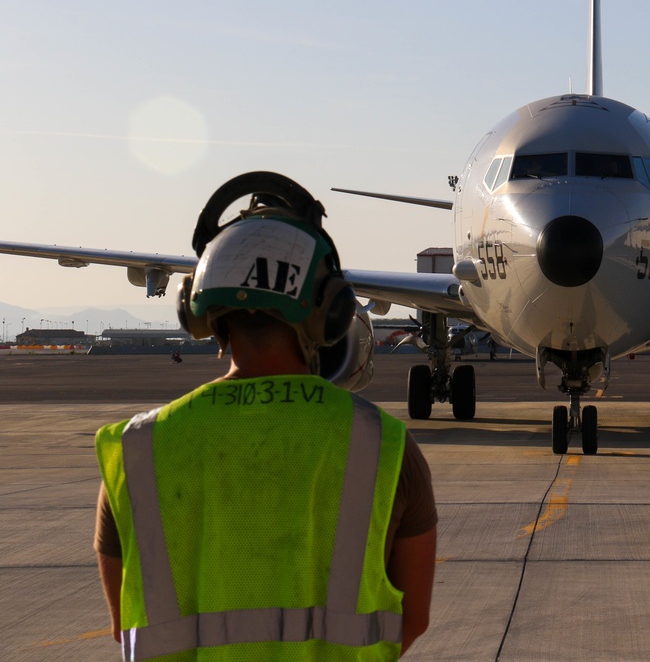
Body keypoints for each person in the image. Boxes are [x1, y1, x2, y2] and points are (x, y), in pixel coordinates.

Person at [94, 173, 436, 660]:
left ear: (197, 308)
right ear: (332, 310)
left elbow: (125, 627)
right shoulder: (384, 448)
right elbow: (412, 619)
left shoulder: (137, 453)